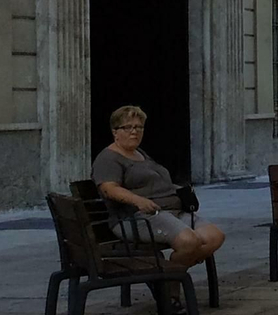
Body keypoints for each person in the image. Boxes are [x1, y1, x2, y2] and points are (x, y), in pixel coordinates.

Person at [93, 105, 226, 303]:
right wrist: (139, 201)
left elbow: (156, 182)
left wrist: (181, 191)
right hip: (140, 218)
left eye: (139, 127)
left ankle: (169, 277)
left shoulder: (141, 154)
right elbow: (108, 189)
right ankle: (171, 290)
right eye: (127, 127)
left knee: (215, 237)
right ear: (115, 132)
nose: (134, 131)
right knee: (189, 242)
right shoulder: (108, 158)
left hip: (173, 212)